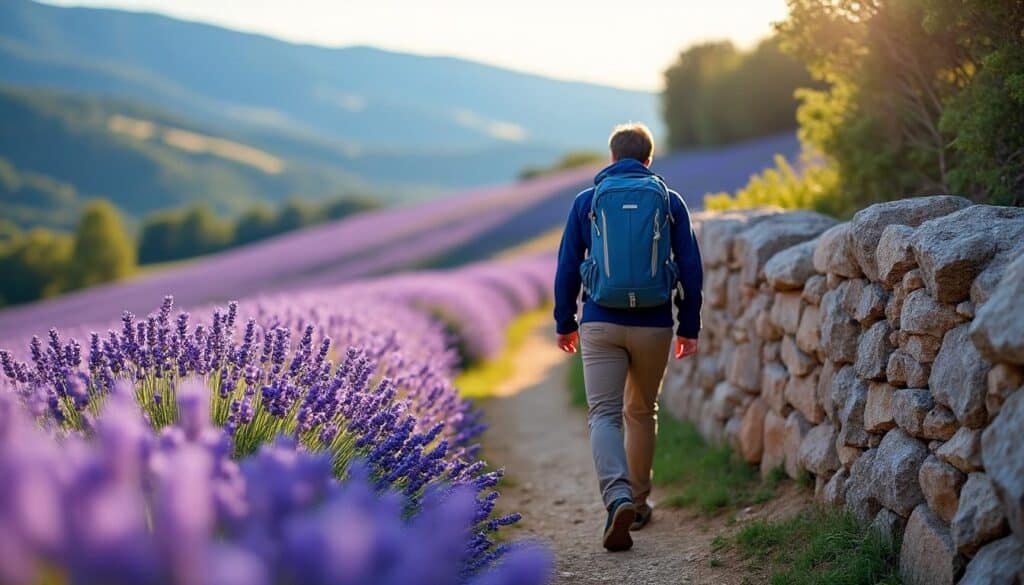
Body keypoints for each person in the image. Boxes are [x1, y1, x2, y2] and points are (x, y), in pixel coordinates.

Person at [553, 122, 703, 552]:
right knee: (642, 410)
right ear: (649, 160)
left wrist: (565, 322)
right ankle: (637, 503)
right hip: (654, 324)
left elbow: (566, 266)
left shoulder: (587, 202)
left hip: (600, 321)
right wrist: (688, 326)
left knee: (604, 413)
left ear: (613, 158)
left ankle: (615, 495)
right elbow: (691, 269)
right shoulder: (669, 201)